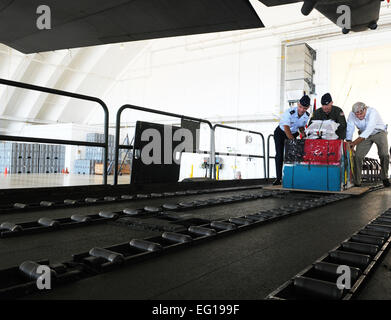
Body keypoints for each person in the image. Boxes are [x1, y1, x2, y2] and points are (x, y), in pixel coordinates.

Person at [346, 102, 390, 187]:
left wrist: (354, 143)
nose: (359, 116)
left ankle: (384, 177)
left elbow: (369, 129)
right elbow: (350, 127)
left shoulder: (373, 112)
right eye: (356, 114)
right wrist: (348, 141)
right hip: (364, 134)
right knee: (358, 156)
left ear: (365, 109)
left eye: (361, 113)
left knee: (384, 154)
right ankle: (357, 182)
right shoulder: (351, 115)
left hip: (379, 132)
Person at [273, 95, 311, 185]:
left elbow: (301, 126)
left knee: (293, 156)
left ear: (308, 107)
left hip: (293, 133)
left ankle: (291, 178)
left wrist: (303, 133)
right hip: (281, 133)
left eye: (304, 108)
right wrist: (293, 141)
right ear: (298, 104)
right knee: (279, 155)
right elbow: (286, 127)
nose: (302, 110)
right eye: (300, 107)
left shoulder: (306, 116)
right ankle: (278, 178)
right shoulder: (289, 112)